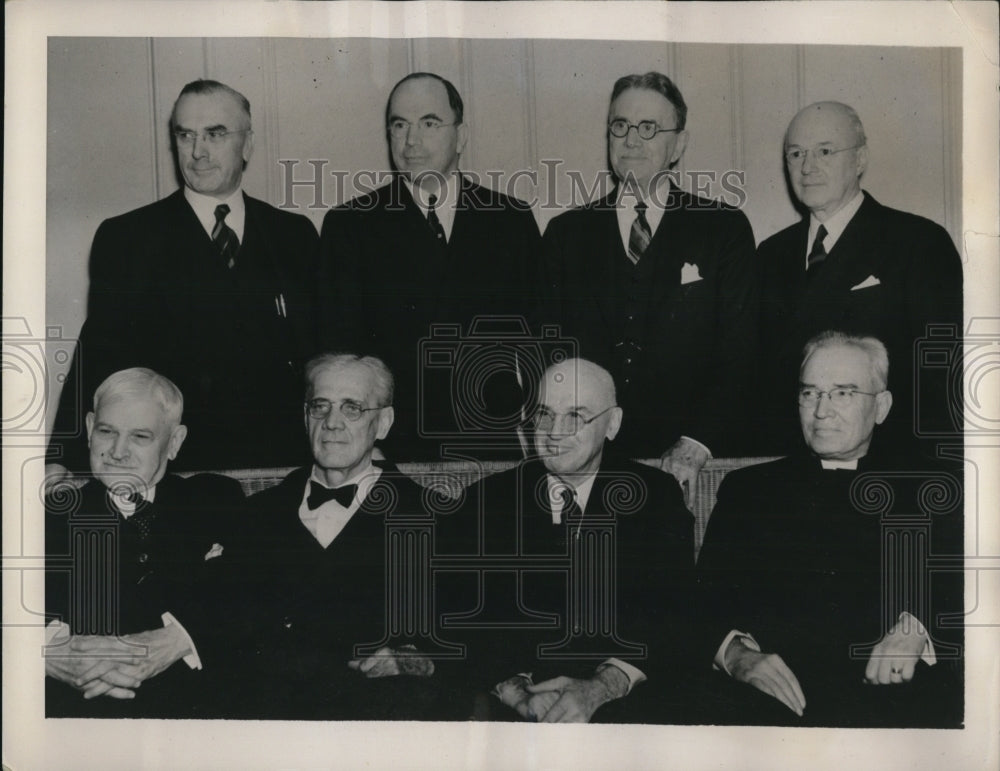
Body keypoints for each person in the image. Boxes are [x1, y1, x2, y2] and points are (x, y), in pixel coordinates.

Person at [47, 79, 319, 483]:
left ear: (247, 145)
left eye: (215, 134)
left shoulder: (294, 235)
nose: (197, 152)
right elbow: (100, 354)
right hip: (176, 475)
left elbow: (321, 353)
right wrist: (63, 458)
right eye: (185, 135)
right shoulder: (127, 237)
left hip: (282, 467)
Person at [697, 332, 963, 727]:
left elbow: (971, 591)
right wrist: (736, 654)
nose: (821, 411)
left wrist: (918, 627)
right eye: (810, 394)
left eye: (843, 393)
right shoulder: (749, 490)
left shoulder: (934, 489)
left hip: (895, 702)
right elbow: (698, 603)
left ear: (881, 407)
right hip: (767, 705)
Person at [542, 71, 758, 504]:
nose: (632, 141)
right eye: (620, 126)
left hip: (690, 467)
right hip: (588, 468)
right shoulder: (566, 234)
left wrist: (698, 442)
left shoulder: (724, 230)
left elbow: (741, 351)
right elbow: (546, 348)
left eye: (649, 128)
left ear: (678, 144)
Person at [440, 357, 695, 723]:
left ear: (613, 423)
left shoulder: (656, 497)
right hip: (514, 702)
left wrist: (602, 686)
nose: (554, 432)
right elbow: (461, 616)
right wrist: (515, 691)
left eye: (575, 416)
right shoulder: (486, 502)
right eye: (544, 414)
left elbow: (673, 612)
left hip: (622, 703)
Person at [222, 353, 463, 720]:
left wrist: (412, 660)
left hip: (382, 720)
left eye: (352, 408)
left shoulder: (435, 518)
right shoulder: (254, 515)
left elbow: (466, 638)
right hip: (270, 719)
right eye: (320, 407)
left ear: (383, 422)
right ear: (305, 418)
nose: (331, 423)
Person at [318, 72, 542, 462]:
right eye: (399, 125)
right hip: (388, 451)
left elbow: (540, 340)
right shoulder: (351, 225)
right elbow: (339, 350)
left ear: (462, 135)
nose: (411, 141)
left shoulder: (510, 220)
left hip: (493, 449)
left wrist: (541, 433)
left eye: (429, 123)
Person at [757, 101, 963, 454]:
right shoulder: (769, 254)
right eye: (796, 154)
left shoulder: (918, 242)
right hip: (788, 466)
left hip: (886, 465)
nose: (808, 167)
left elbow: (941, 379)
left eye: (825, 151)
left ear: (860, 160)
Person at [44, 368, 245, 718]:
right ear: (90, 430)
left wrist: (183, 636)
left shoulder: (216, 500)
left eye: (140, 436)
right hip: (80, 718)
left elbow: (263, 591)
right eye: (107, 432)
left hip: (199, 714)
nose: (118, 452)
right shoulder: (48, 518)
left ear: (175, 442)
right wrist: (43, 649)